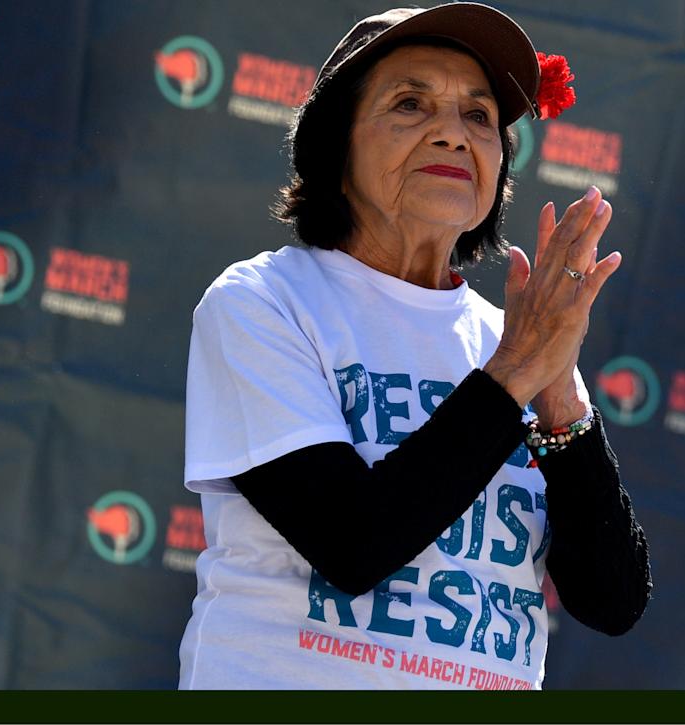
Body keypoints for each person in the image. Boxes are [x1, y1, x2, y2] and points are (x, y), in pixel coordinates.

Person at [178, 2, 650, 690]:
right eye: (410, 104)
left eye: (479, 117)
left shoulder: (510, 342)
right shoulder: (264, 302)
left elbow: (611, 601)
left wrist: (558, 401)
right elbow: (353, 541)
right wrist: (520, 367)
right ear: (336, 151)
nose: (453, 135)